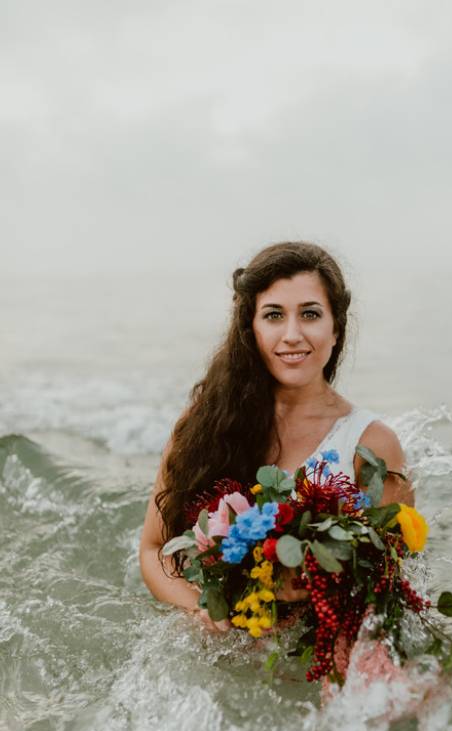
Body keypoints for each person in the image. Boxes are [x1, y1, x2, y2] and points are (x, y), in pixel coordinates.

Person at [139, 241, 413, 636]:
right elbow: (153, 550)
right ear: (251, 328)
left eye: (310, 314)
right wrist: (201, 608)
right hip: (217, 651)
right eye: (273, 315)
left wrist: (307, 584)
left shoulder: (370, 446)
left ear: (336, 328)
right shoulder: (202, 426)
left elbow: (388, 586)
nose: (292, 334)